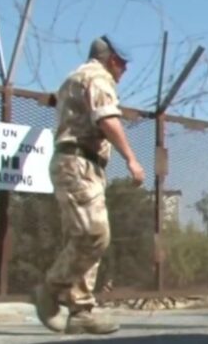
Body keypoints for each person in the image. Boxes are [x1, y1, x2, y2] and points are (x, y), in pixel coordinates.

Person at [31, 35, 145, 335]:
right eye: (122, 64)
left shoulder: (73, 78)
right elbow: (107, 119)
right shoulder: (97, 77)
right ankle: (50, 289)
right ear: (112, 60)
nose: (124, 70)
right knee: (95, 236)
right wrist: (132, 159)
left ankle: (80, 311)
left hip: (78, 163)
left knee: (81, 238)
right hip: (78, 163)